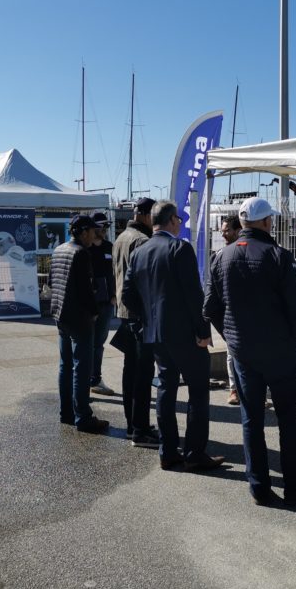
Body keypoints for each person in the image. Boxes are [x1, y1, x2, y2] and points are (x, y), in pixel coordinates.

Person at [203, 197, 296, 506]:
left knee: (251, 420)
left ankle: (258, 487)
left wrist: (231, 337)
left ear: (241, 223)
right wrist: (292, 340)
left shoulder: (220, 257)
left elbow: (211, 307)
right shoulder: (278, 256)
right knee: (290, 419)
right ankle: (295, 487)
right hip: (280, 351)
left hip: (243, 352)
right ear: (267, 222)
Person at [123, 200, 224, 471]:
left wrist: (148, 316)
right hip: (185, 334)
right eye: (178, 219)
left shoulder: (139, 252)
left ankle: (167, 451)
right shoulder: (180, 248)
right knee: (198, 392)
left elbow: (127, 295)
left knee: (166, 389)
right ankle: (194, 453)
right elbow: (194, 295)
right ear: (171, 220)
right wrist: (203, 332)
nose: (180, 223)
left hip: (155, 333)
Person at [49, 215, 109, 433]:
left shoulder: (59, 250)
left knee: (65, 366)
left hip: (60, 314)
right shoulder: (81, 253)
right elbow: (86, 289)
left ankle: (66, 413)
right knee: (81, 368)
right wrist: (94, 312)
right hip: (79, 317)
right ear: (83, 232)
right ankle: (83, 417)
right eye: (92, 231)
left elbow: (51, 281)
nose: (95, 234)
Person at [112, 197, 159, 447]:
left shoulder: (121, 237)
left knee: (130, 371)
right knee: (142, 373)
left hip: (124, 311)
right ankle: (140, 429)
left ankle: (133, 424)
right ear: (145, 215)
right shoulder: (142, 240)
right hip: (140, 315)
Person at [88, 212, 116, 397]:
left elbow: (116, 272)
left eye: (107, 226)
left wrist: (115, 295)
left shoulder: (109, 247)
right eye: (102, 226)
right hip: (88, 304)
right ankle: (83, 381)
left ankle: (95, 379)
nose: (105, 229)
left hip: (107, 303)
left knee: (98, 343)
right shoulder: (85, 248)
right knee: (86, 343)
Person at [219, 215, 242, 405]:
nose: (223, 234)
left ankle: (257, 392)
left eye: (227, 230)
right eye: (222, 230)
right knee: (231, 354)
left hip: (251, 314)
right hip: (230, 315)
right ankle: (234, 390)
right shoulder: (220, 255)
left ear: (238, 231)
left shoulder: (249, 251)